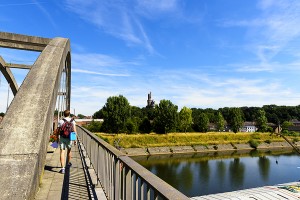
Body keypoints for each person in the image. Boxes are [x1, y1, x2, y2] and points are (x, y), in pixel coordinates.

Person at [57, 109, 76, 174]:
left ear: (64, 114)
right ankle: (67, 164)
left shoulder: (61, 121)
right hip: (69, 138)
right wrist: (74, 140)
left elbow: (58, 130)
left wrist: (57, 138)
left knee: (62, 152)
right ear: (69, 114)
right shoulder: (72, 121)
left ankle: (62, 169)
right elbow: (74, 131)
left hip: (62, 138)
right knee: (69, 150)